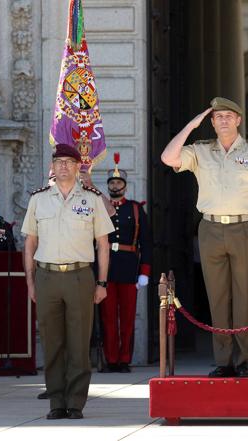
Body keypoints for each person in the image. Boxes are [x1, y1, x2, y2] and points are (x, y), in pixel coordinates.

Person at [161, 97, 248, 377]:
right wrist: (191, 125)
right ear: (211, 122)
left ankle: (244, 360)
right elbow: (168, 158)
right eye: (218, 116)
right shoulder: (200, 151)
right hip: (211, 229)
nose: (224, 120)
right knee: (218, 297)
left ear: (238, 120)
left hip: (246, 227)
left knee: (244, 295)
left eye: (229, 115)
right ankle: (223, 360)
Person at [21, 144, 114, 420]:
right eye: (58, 161)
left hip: (79, 276)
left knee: (78, 342)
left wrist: (102, 283)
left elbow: (103, 244)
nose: (63, 166)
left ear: (77, 167)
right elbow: (30, 244)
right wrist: (30, 281)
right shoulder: (38, 200)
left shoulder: (92, 199)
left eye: (68, 162)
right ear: (52, 166)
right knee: (52, 342)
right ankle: (56, 402)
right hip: (47, 276)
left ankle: (75, 402)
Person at [100, 154, 152, 373]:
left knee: (128, 317)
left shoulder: (135, 209)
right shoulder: (101, 207)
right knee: (108, 316)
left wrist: (145, 272)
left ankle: (124, 360)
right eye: (112, 182)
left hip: (129, 267)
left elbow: (147, 242)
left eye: (118, 182)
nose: (115, 186)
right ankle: (110, 359)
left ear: (125, 186)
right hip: (106, 268)